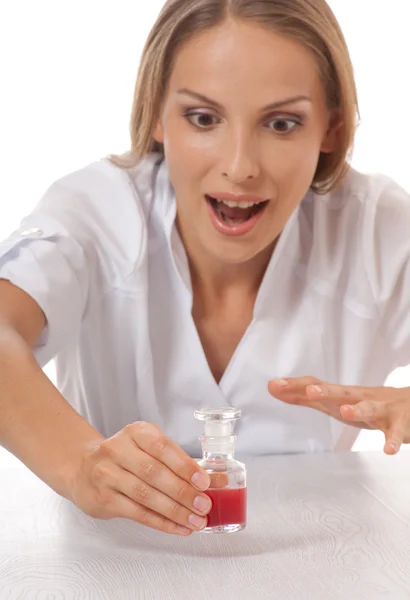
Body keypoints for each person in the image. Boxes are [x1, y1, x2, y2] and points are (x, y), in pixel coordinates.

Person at [0, 0, 409, 537]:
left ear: (330, 130)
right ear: (158, 116)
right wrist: (79, 463)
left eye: (282, 123)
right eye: (203, 118)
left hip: (315, 562)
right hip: (116, 571)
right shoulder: (99, 210)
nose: (239, 167)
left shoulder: (374, 226)